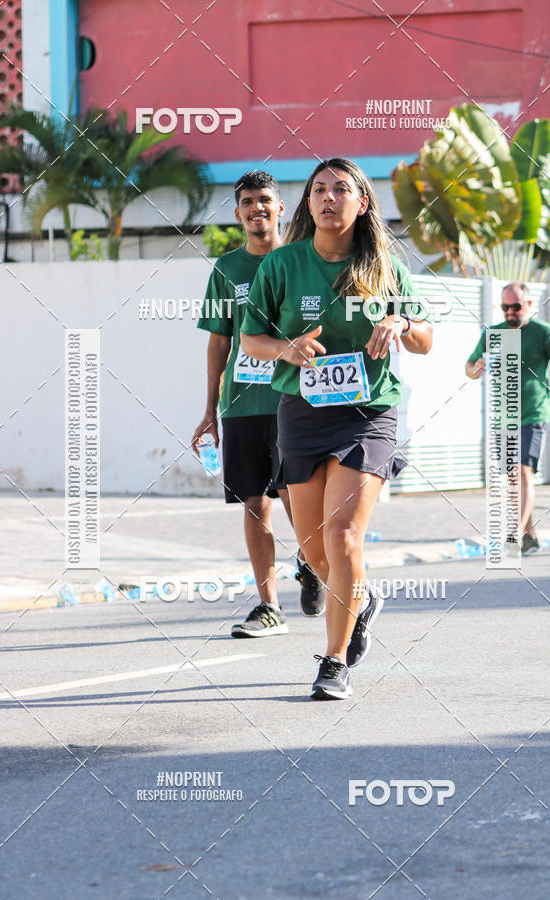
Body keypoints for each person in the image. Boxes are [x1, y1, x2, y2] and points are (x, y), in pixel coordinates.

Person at [240, 158, 433, 699]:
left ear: (362, 202)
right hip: (301, 414)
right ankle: (363, 600)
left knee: (344, 536)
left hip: (368, 413)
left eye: (341, 189)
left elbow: (426, 340)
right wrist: (287, 347)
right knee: (317, 551)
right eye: (318, 190)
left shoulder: (385, 269)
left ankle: (333, 662)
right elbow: (250, 340)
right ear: (307, 203)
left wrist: (402, 321)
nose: (328, 198)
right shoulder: (281, 266)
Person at [191, 171, 326, 638]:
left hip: (295, 401)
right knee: (254, 503)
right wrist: (209, 412)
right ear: (238, 213)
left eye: (265, 200)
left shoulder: (301, 261)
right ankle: (269, 605)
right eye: (248, 201)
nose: (257, 208)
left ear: (282, 208)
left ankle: (310, 561)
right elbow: (218, 343)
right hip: (243, 406)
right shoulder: (227, 270)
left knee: (295, 497)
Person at [465, 281, 550, 553]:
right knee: (514, 478)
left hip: (534, 414)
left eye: (515, 306)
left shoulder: (544, 333)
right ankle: (529, 534)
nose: (510, 312)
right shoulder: (494, 334)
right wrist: (475, 368)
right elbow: (469, 366)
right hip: (504, 417)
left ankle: (513, 530)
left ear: (528, 305)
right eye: (505, 307)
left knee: (523, 472)